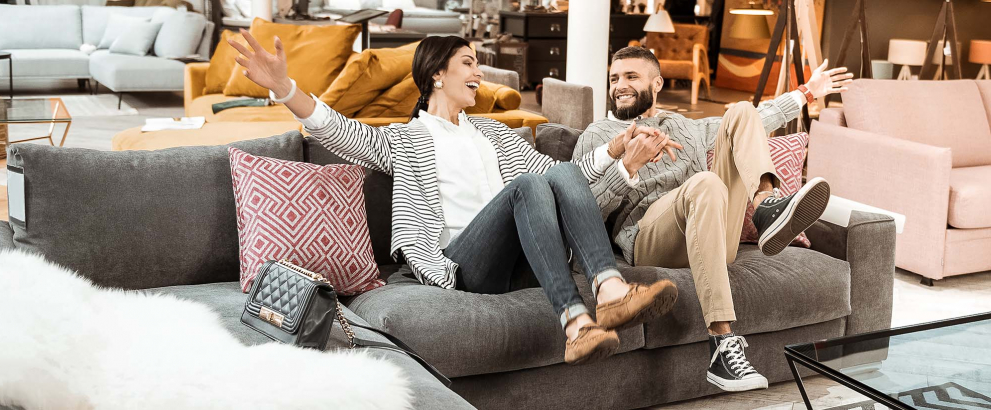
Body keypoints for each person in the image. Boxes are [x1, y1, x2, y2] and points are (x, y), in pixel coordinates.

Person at [230, 33, 680, 364]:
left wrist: (618, 149)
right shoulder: (406, 140)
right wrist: (285, 88)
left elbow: (569, 178)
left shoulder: (494, 133)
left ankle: (609, 292)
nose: (479, 72)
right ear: (436, 74)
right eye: (468, 63)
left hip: (526, 261)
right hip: (464, 265)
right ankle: (573, 320)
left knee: (556, 172)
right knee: (523, 187)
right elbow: (337, 130)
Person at [572, 46, 852, 390]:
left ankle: (766, 205)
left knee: (743, 112)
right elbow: (580, 212)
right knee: (705, 182)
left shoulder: (682, 125)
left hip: (713, 236)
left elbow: (760, 120)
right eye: (614, 78)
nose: (620, 86)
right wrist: (627, 166)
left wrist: (808, 92)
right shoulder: (598, 136)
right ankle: (721, 343)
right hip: (650, 238)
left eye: (631, 76)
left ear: (657, 83)